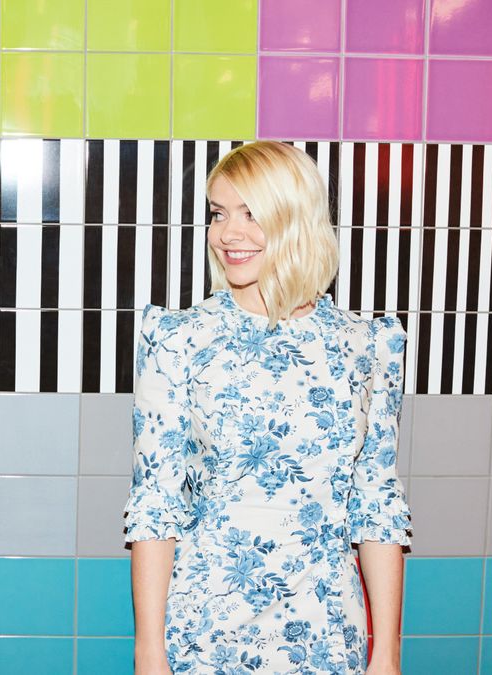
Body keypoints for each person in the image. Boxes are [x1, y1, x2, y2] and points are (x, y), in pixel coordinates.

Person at [126, 141, 411, 674]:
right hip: (205, 634)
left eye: (251, 213)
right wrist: (149, 654)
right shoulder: (179, 340)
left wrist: (387, 655)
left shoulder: (366, 346)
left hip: (326, 633)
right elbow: (155, 504)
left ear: (296, 218)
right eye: (218, 213)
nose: (227, 233)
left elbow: (377, 505)